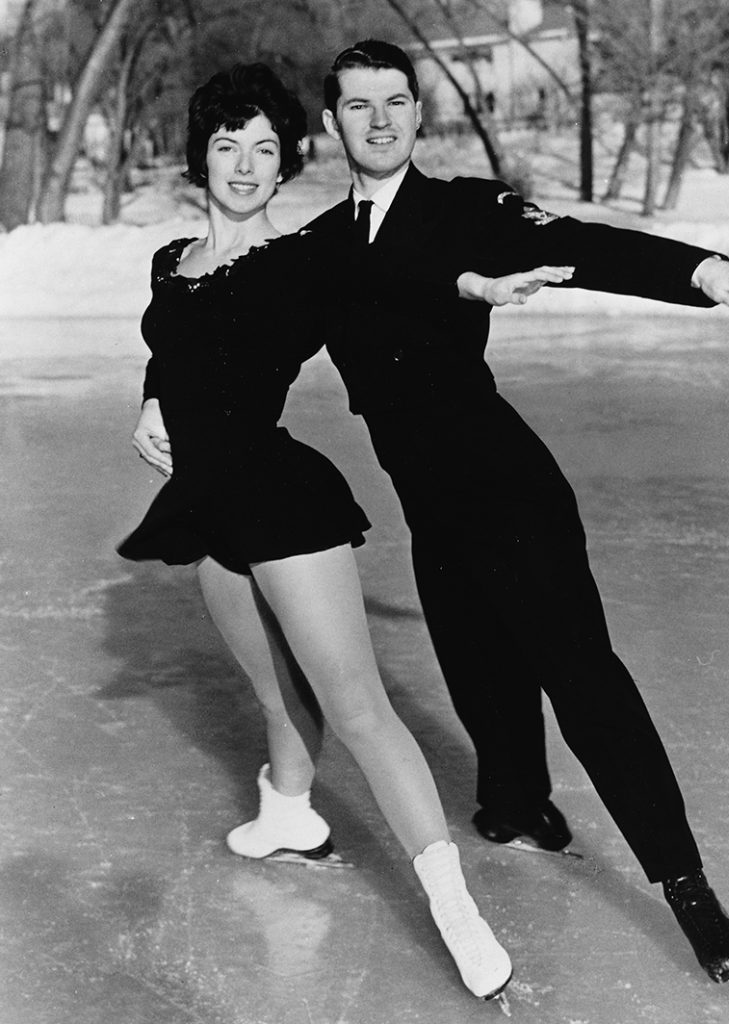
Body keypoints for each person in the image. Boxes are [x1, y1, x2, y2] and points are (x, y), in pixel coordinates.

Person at [296, 40, 729, 987]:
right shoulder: (321, 247)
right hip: (428, 505)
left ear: (417, 112)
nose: (381, 120)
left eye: (397, 101)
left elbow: (586, 243)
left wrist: (702, 271)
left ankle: (686, 887)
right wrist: (172, 397)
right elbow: (257, 332)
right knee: (477, 668)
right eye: (359, 106)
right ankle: (520, 807)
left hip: (506, 485)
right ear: (333, 123)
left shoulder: (469, 211)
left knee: (583, 681)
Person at [118, 62, 562, 1001]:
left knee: (355, 706)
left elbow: (396, 276)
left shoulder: (301, 260)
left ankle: (454, 908)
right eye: (228, 145)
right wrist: (151, 401)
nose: (244, 164)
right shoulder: (170, 260)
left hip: (282, 502)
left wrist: (474, 281)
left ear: (286, 166)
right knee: (273, 696)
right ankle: (288, 815)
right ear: (199, 155)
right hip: (202, 505)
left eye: (265, 150)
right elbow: (172, 346)